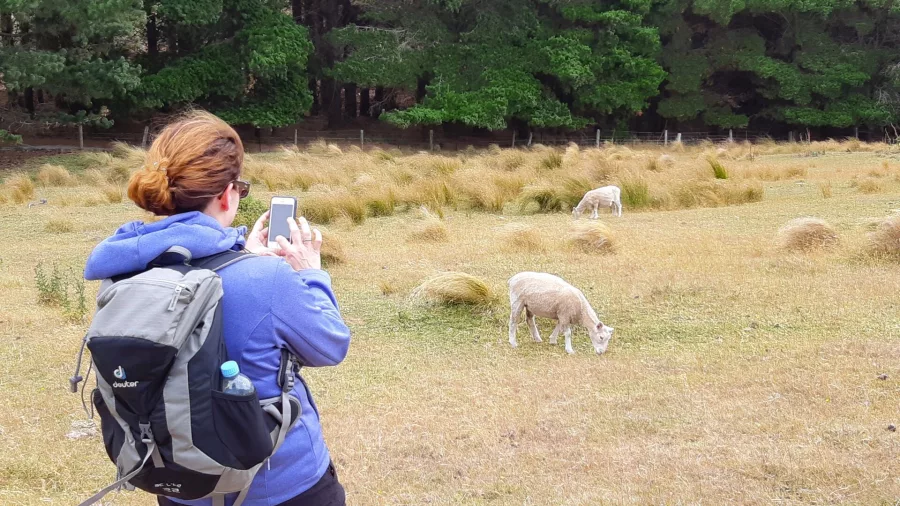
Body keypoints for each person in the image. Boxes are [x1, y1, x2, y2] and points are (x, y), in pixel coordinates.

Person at [83, 112, 352, 506]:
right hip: (280, 487)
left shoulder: (123, 274)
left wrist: (240, 256)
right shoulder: (268, 278)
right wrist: (311, 273)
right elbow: (331, 346)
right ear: (228, 193)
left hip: (179, 484)